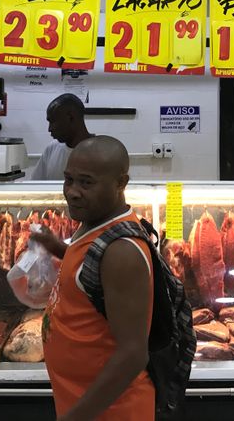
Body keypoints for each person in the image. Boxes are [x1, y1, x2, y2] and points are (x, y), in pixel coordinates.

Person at [34, 136, 154, 421]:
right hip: (83, 404)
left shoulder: (122, 252)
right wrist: (59, 249)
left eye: (86, 183)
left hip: (112, 413)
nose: (73, 192)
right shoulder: (93, 224)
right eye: (69, 179)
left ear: (120, 183)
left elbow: (134, 355)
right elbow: (91, 273)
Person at [31, 93, 92, 180]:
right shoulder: (51, 149)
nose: (49, 129)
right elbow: (35, 186)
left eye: (53, 121)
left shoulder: (100, 153)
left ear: (71, 117)